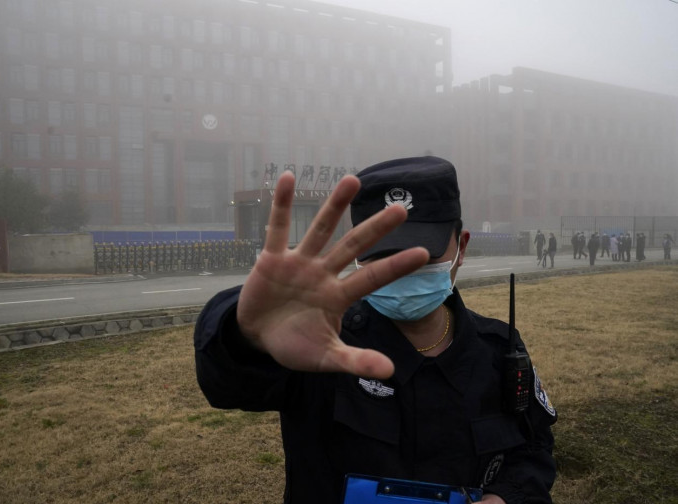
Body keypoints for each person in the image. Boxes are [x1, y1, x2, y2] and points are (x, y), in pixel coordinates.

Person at [194, 156, 557, 504]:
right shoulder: (320, 344)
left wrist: (507, 497)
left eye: (421, 252)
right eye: (382, 253)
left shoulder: (497, 350)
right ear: (358, 254)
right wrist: (246, 335)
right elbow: (226, 385)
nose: (400, 270)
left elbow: (533, 447)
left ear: (460, 246)